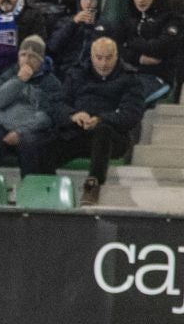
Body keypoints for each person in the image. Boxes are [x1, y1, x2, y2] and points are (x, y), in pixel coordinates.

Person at [20, 35, 144, 203]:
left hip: (111, 137)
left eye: (108, 58)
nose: (103, 63)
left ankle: (93, 185)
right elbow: (58, 104)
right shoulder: (77, 73)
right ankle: (42, 190)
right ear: (92, 56)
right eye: (99, 58)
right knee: (34, 145)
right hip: (76, 132)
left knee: (103, 130)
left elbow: (131, 115)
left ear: (116, 56)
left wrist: (101, 119)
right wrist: (73, 115)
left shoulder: (130, 79)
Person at [0, 36, 59, 173]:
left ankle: (29, 191)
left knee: (29, 145)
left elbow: (47, 116)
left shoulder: (50, 82)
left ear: (41, 60)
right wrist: (18, 81)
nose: (26, 60)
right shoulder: (8, 75)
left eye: (32, 56)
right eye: (23, 55)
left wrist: (20, 132)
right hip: (3, 128)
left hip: (32, 132)